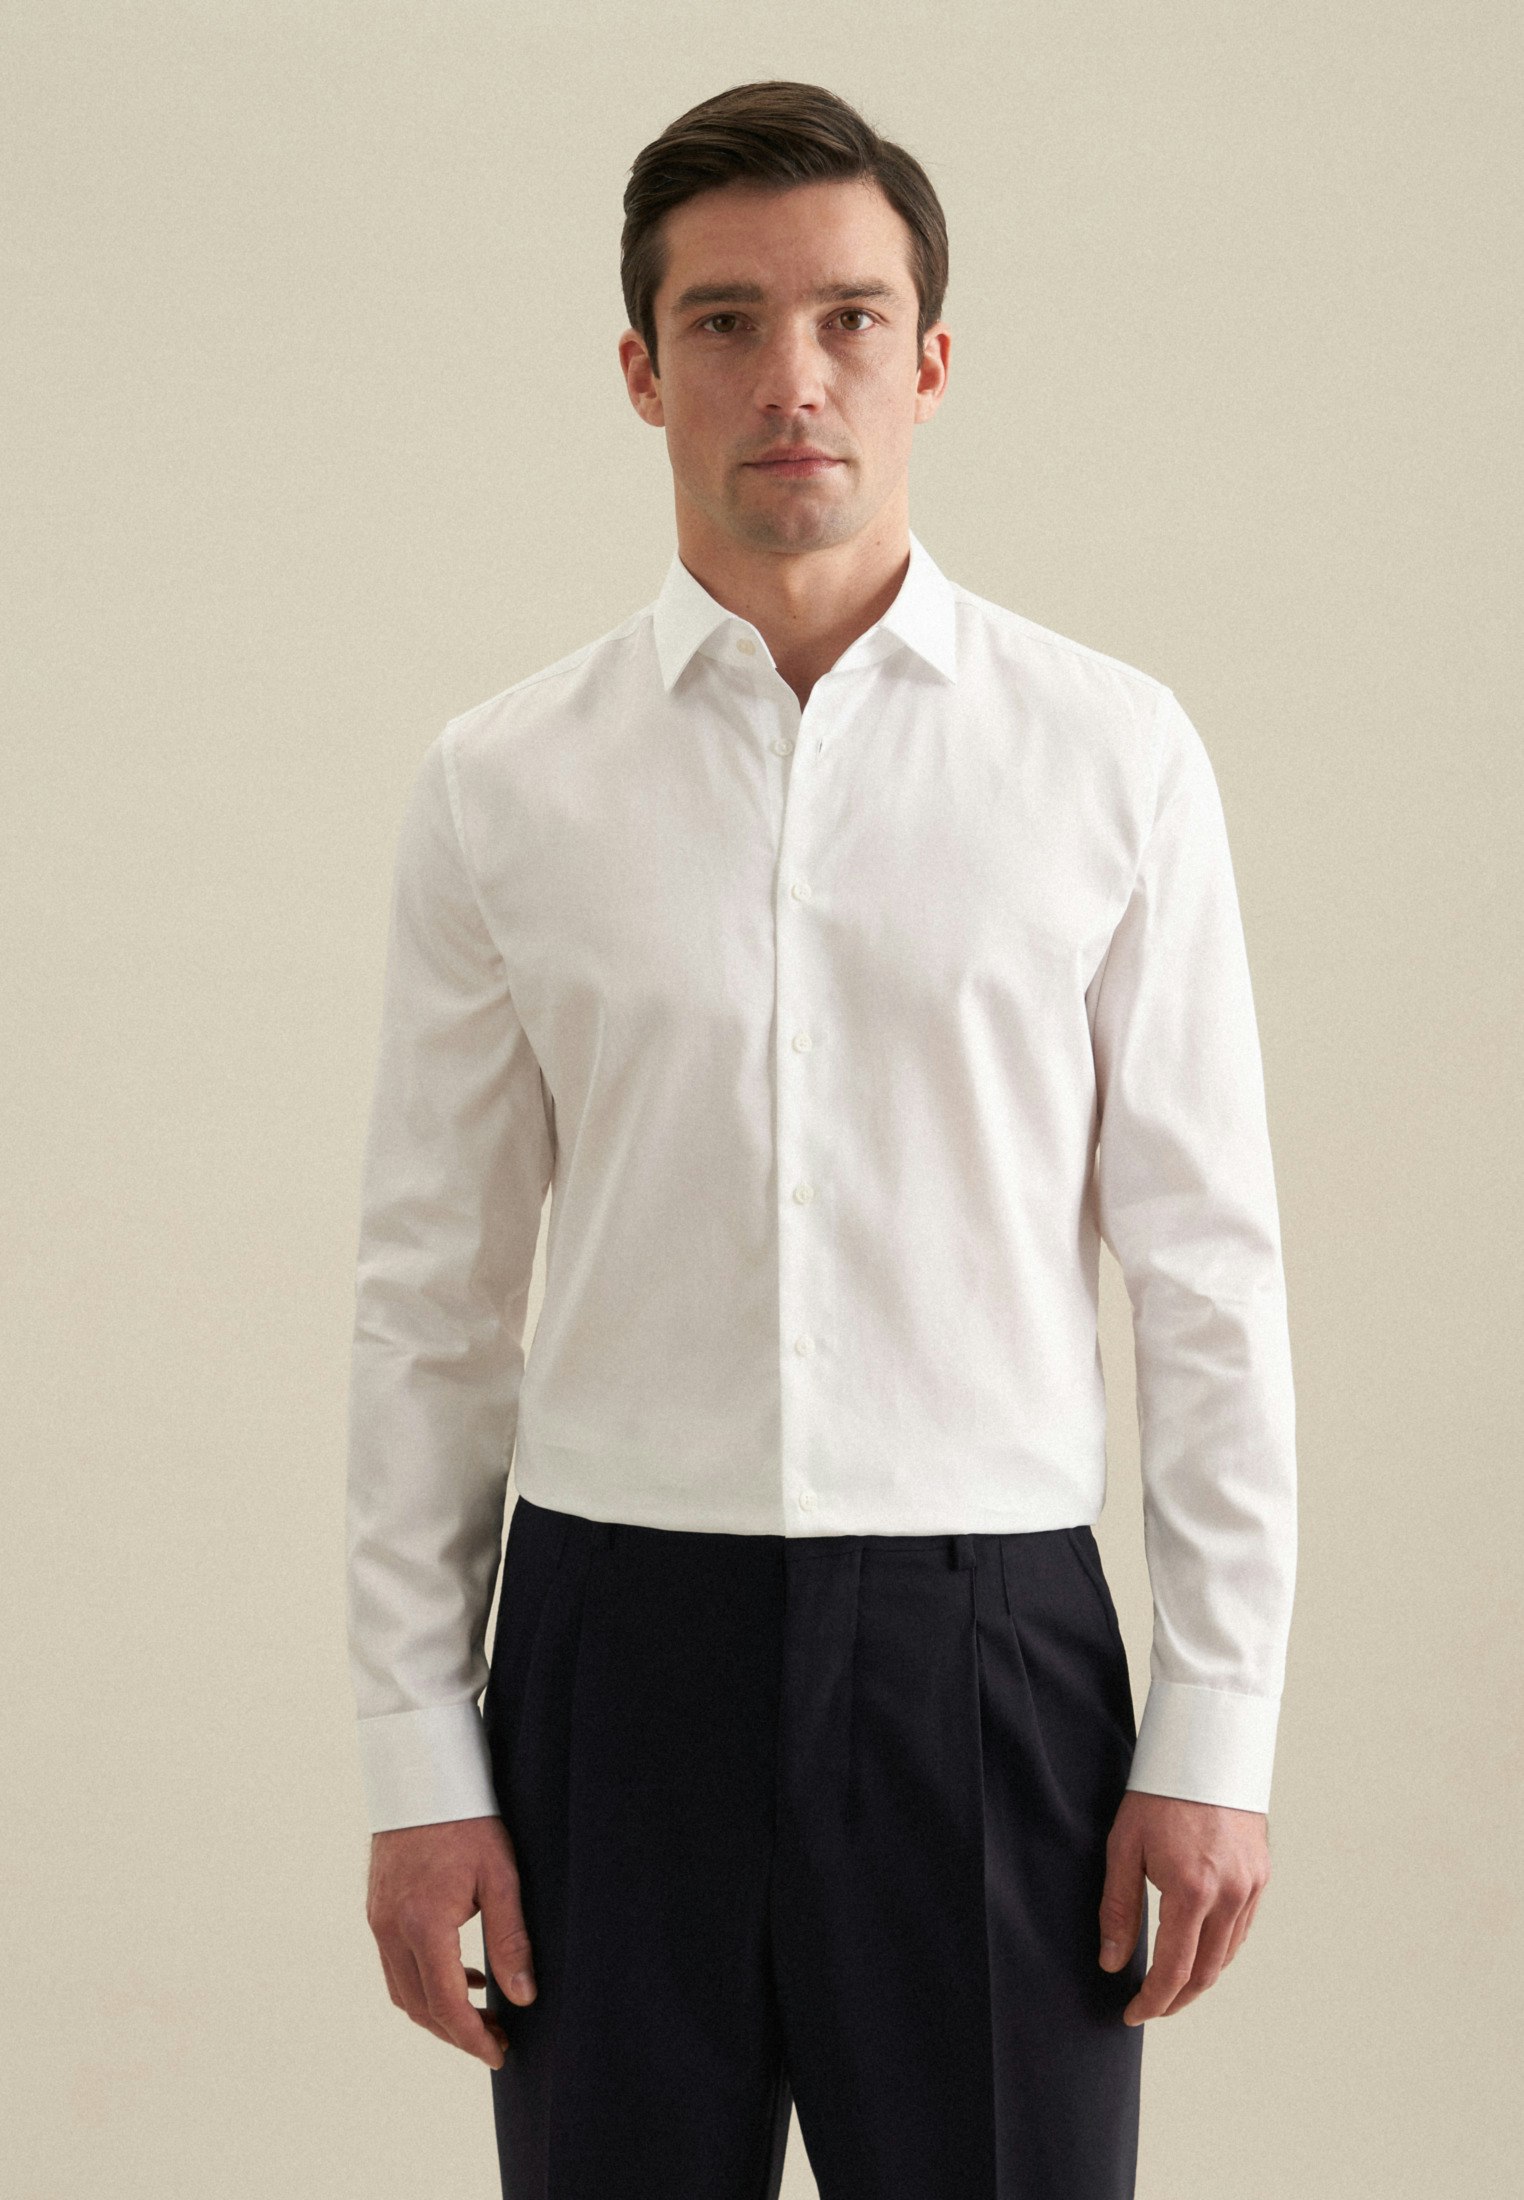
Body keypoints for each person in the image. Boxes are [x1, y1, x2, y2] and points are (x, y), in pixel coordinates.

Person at [345, 78, 1297, 2200]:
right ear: (640, 367)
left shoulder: (1112, 758)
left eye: (851, 318)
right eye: (726, 321)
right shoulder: (503, 785)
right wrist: (419, 1755)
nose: (794, 377)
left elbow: (1209, 1272)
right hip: (611, 1664)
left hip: (993, 1659)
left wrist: (1217, 1730)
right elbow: (433, 1297)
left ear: (931, 362)